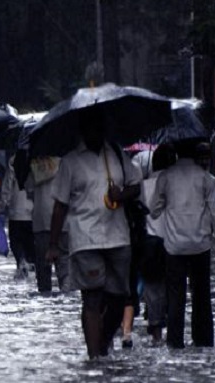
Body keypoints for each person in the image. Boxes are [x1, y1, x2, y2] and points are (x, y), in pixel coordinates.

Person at [48, 108, 142, 359]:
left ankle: (101, 342)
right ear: (83, 130)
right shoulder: (70, 162)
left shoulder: (117, 155)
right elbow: (60, 205)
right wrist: (53, 244)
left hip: (118, 236)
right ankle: (95, 358)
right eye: (91, 127)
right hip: (85, 238)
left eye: (99, 127)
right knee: (91, 297)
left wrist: (121, 195)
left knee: (119, 296)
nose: (96, 132)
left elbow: (136, 185)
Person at [150, 141, 215, 349]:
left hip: (174, 247)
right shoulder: (207, 179)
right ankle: (203, 342)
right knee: (201, 297)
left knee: (176, 296)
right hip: (200, 246)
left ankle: (175, 342)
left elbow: (155, 210)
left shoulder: (166, 177)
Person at [137, 144, 176, 345]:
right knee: (173, 287)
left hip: (150, 241)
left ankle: (156, 333)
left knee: (152, 290)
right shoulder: (176, 183)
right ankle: (173, 331)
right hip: (174, 240)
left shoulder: (144, 185)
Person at [27, 156, 70, 293]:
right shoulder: (67, 163)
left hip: (42, 221)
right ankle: (66, 294)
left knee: (43, 267)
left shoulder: (34, 164)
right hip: (64, 221)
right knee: (65, 265)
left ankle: (45, 294)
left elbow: (28, 189)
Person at [0, 153, 36, 280]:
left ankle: (21, 263)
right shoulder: (38, 158)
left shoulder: (14, 160)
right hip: (33, 212)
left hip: (16, 210)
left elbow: (8, 184)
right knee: (31, 246)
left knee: (16, 243)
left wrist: (3, 205)